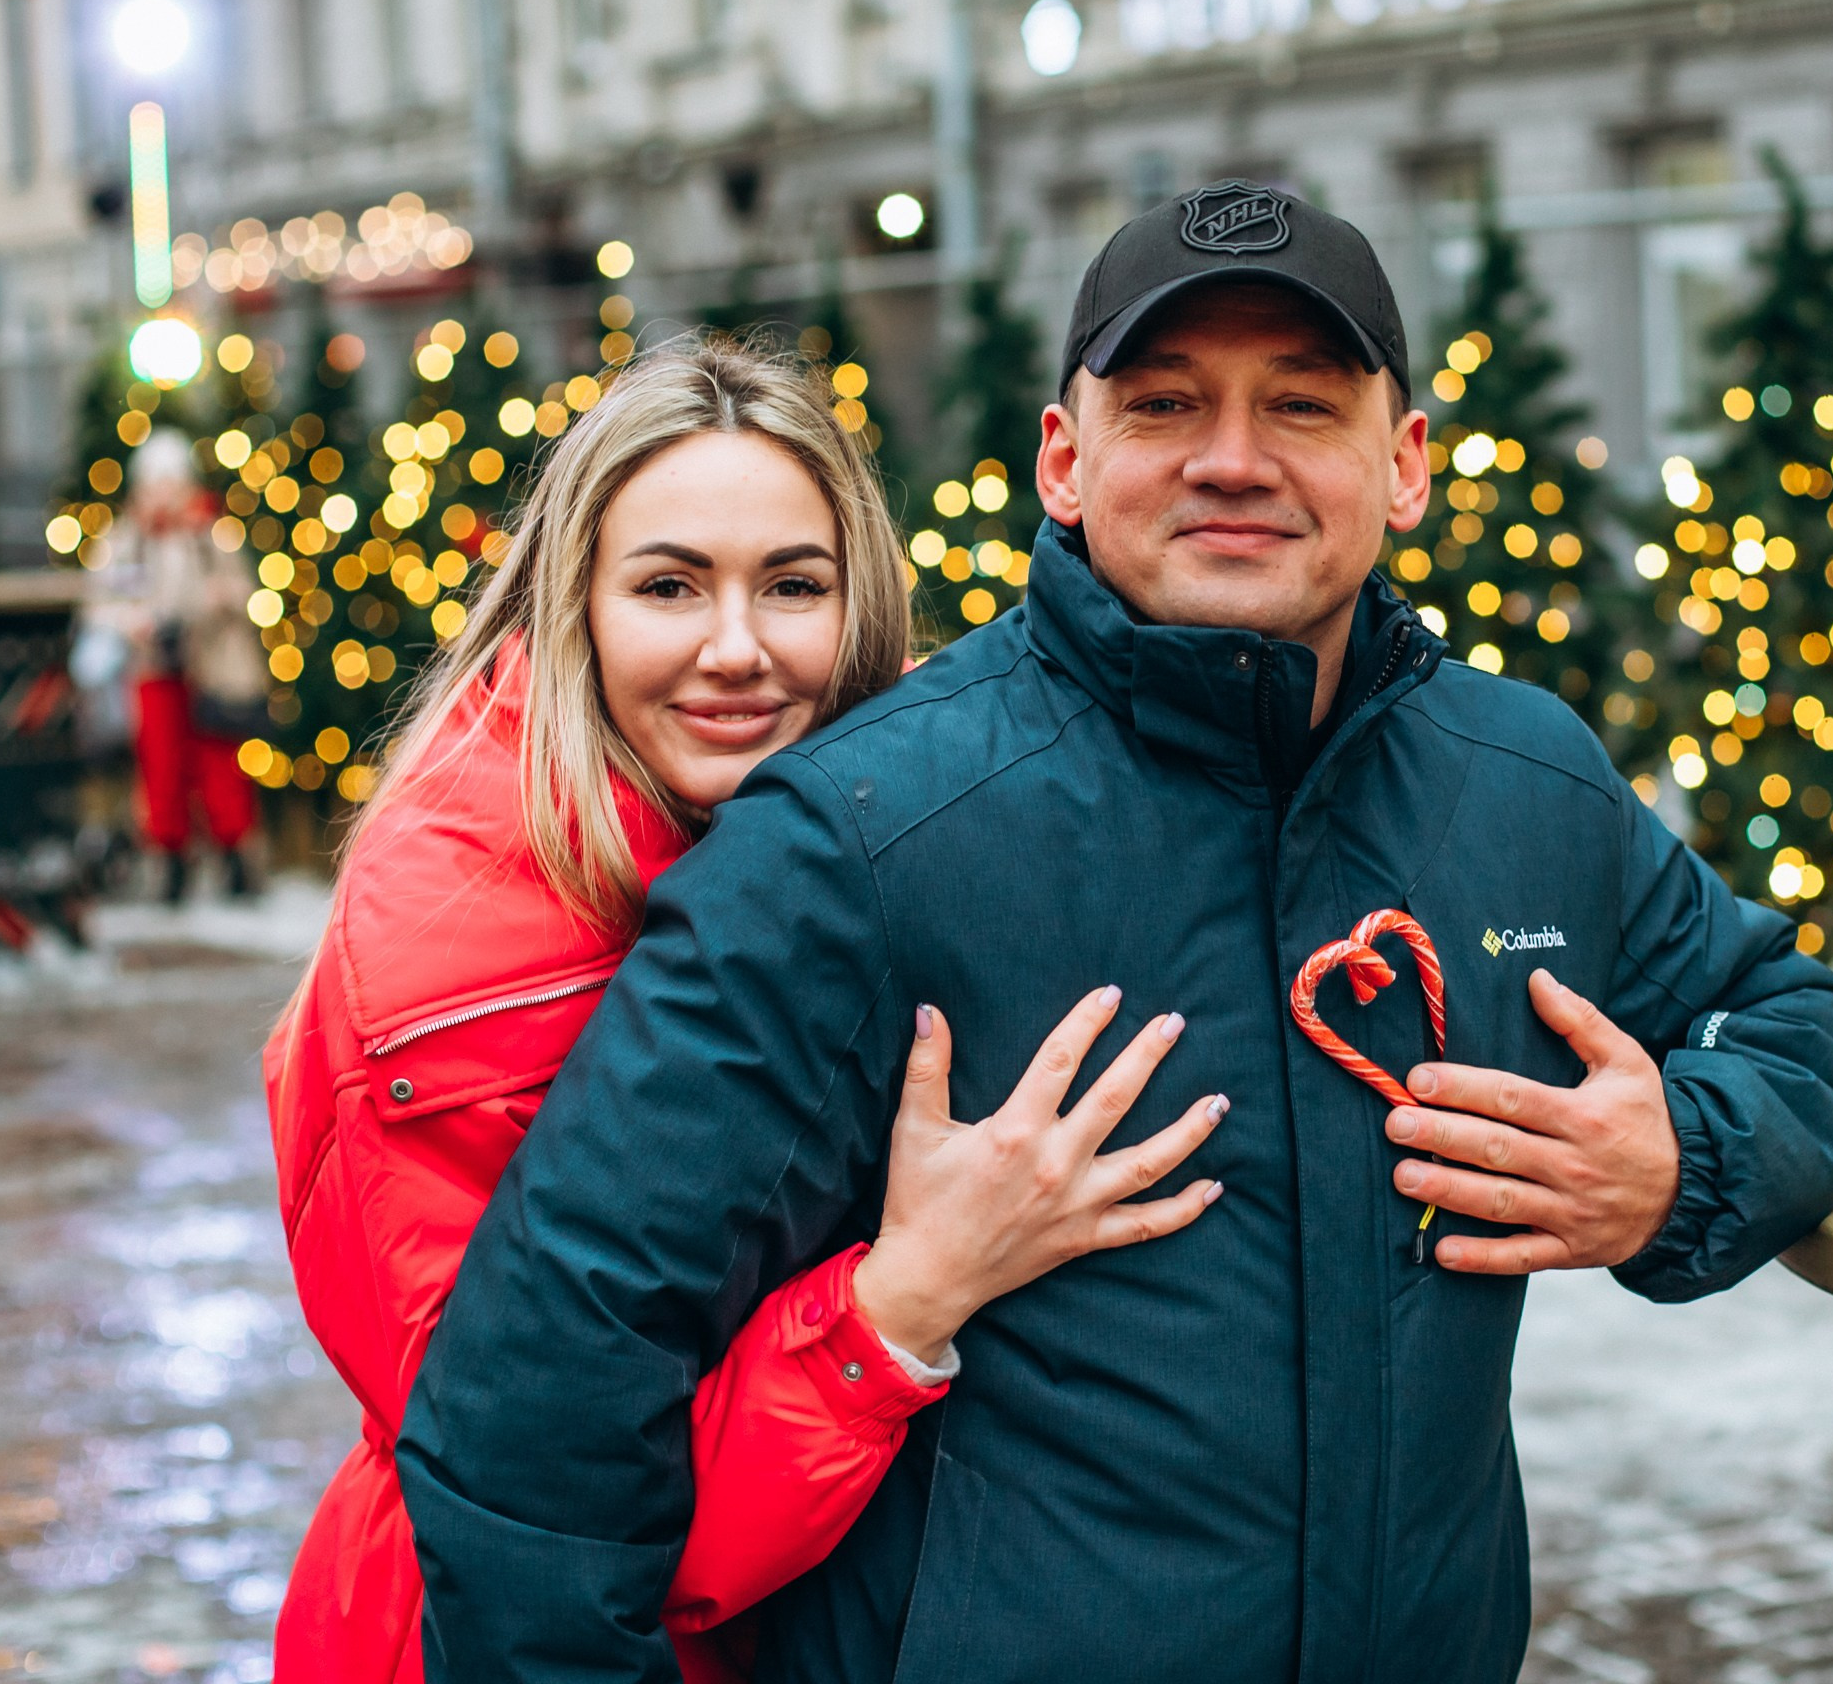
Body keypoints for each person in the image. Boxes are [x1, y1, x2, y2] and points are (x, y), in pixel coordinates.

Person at [398, 185, 1833, 1683]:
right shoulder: (863, 834)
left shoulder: (1522, 783)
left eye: (1302, 404)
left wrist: (1681, 1165)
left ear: (1406, 464)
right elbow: (545, 1386)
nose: (1234, 460)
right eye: (1165, 403)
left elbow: (1786, 1019)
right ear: (1064, 458)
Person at [264, 340, 1224, 1684]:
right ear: (571, 605)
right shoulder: (459, 965)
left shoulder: (850, 841)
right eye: (669, 585)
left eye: (793, 586)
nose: (737, 651)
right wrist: (901, 1302)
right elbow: (554, 1512)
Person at [109, 429, 269, 899]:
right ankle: (170, 859)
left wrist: (215, 600)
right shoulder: (127, 540)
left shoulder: (209, 535)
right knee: (161, 767)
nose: (162, 494)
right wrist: (131, 622)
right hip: (153, 669)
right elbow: (105, 601)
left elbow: (241, 590)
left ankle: (235, 855)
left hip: (208, 668)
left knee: (219, 765)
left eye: (170, 482)